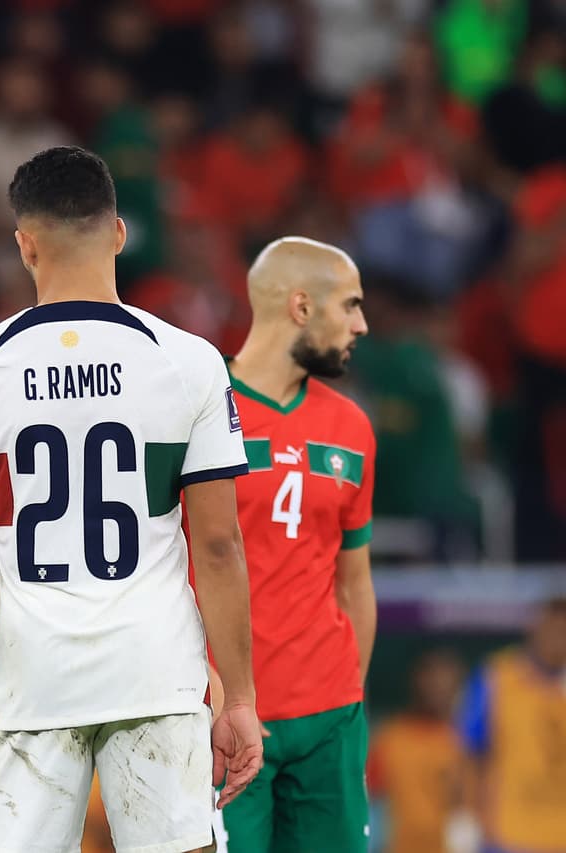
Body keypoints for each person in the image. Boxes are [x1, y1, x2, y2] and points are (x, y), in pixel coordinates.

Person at [0, 145, 263, 853]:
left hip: (37, 673)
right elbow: (221, 545)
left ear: (24, 245)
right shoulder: (189, 360)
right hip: (157, 670)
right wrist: (242, 697)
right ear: (119, 234)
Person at [215, 236, 376, 853]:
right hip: (224, 717)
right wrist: (208, 689)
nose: (361, 325)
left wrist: (347, 700)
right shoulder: (203, 409)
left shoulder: (352, 427)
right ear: (302, 308)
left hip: (330, 718)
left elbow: (354, 579)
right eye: (351, 306)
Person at [457, 598, 566, 852]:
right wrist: (463, 818)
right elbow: (469, 753)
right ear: (534, 628)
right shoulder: (495, 678)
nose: (559, 639)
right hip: (508, 837)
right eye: (553, 629)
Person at [367, 650, 477, 853]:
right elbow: (367, 801)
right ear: (417, 682)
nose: (437, 688)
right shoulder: (391, 738)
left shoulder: (466, 742)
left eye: (446, 681)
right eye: (431, 679)